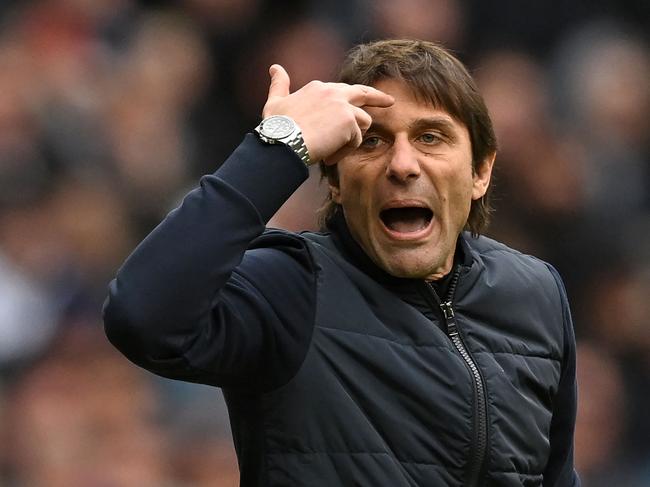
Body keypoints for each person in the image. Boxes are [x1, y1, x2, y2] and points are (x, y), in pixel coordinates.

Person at [103, 39, 580, 486]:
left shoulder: (536, 293)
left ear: (480, 171)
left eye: (431, 137)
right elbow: (142, 316)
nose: (403, 164)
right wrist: (276, 148)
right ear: (333, 180)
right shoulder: (291, 286)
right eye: (371, 142)